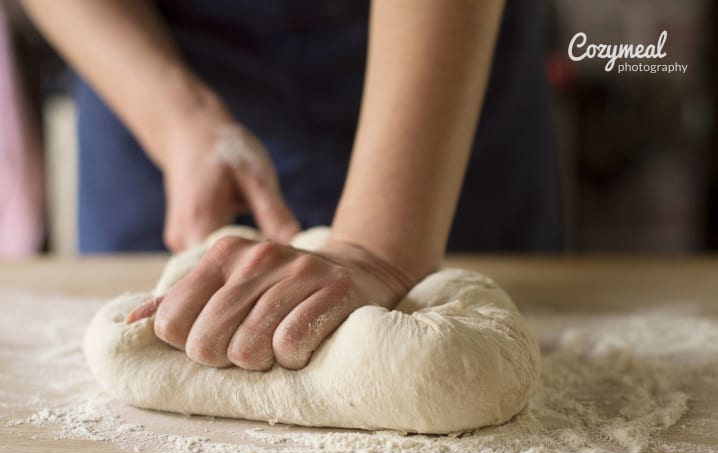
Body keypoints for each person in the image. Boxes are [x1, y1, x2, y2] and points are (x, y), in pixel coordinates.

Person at [22, 0, 561, 371]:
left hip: (431, 53)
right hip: (149, 49)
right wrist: (179, 120)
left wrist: (380, 251)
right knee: (163, 333)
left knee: (468, 353)